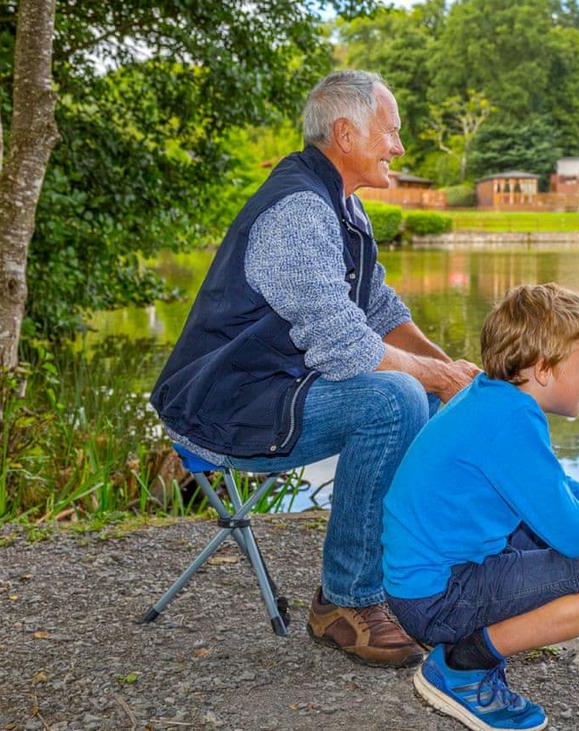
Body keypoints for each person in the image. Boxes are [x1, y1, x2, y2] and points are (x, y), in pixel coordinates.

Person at [150, 69, 479, 668]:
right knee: (397, 400)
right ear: (347, 133)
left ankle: (404, 581)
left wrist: (451, 371)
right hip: (224, 406)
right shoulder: (300, 209)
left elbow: (378, 309)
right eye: (392, 132)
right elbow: (342, 344)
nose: (400, 148)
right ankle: (344, 603)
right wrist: (428, 378)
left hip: (275, 392)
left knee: (426, 397)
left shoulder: (343, 205)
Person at [382, 283, 579, 730]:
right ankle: (463, 665)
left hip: (424, 584)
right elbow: (574, 535)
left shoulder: (491, 398)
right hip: (438, 597)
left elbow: (548, 488)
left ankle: (467, 654)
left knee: (564, 538)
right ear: (543, 369)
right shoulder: (512, 422)